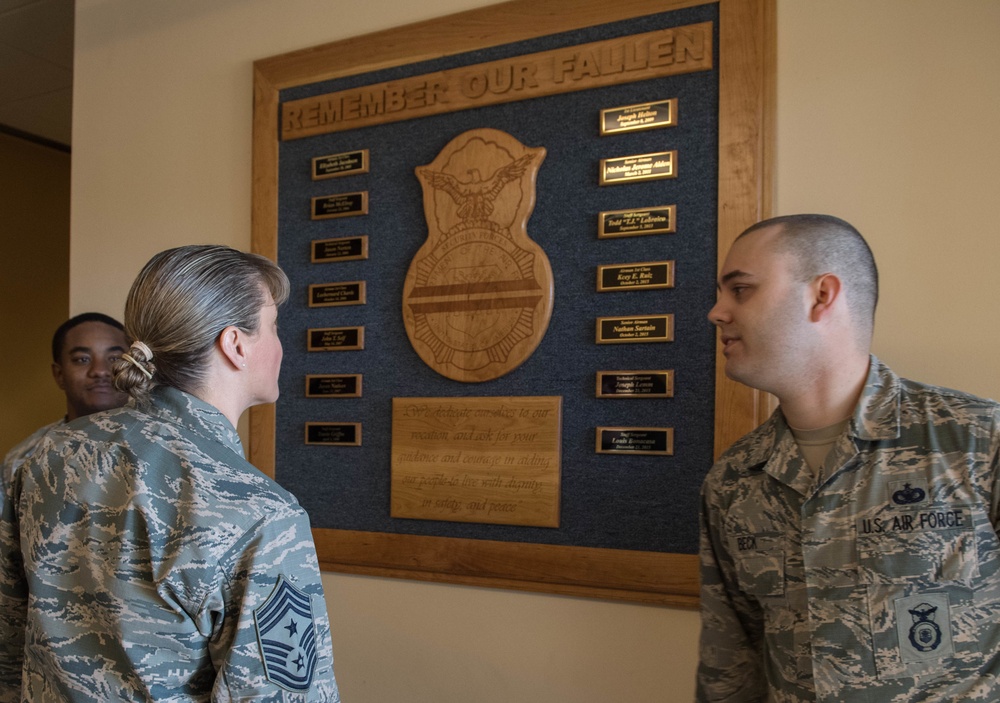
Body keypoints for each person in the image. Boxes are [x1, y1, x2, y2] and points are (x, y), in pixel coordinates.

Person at [0, 245, 340, 701]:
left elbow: (9, 630)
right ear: (235, 344)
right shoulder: (260, 511)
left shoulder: (41, 455)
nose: (281, 344)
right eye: (274, 327)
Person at [697, 214, 1000, 702]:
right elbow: (731, 657)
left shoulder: (976, 442)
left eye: (741, 290)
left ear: (821, 296)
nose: (717, 311)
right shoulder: (734, 479)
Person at [1, 312, 129, 479]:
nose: (100, 371)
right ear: (59, 375)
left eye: (114, 358)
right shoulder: (22, 462)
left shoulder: (161, 446)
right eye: (82, 359)